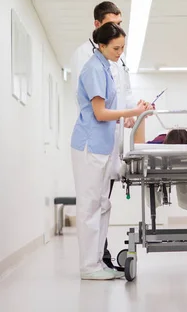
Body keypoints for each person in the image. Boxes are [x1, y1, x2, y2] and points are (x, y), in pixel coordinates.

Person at [70, 22, 151, 280]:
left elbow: (114, 109)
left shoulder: (107, 67)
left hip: (104, 146)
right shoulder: (94, 68)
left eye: (122, 47)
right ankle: (88, 267)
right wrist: (132, 112)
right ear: (101, 46)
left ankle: (98, 263)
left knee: (103, 205)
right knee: (90, 206)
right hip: (90, 146)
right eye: (116, 48)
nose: (120, 52)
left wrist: (131, 111)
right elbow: (100, 113)